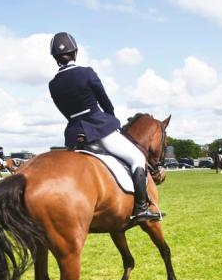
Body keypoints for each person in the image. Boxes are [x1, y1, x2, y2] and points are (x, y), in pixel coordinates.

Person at [47, 32, 162, 224]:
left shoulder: (53, 84)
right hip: (99, 127)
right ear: (75, 52)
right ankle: (142, 208)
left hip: (75, 135)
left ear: (55, 58)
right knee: (137, 158)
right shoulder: (87, 73)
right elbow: (105, 101)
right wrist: (111, 120)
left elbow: (65, 111)